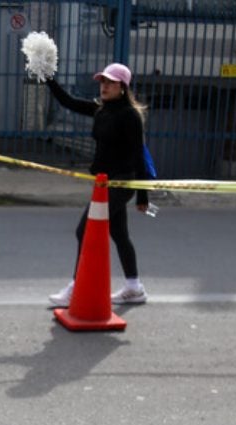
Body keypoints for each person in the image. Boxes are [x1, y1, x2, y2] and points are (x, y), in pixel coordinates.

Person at [41, 62, 152, 307]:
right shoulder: (101, 109)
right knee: (119, 234)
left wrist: (143, 196)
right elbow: (68, 102)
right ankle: (134, 287)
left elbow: (138, 156)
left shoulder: (130, 116)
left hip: (121, 183)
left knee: (84, 231)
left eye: (111, 82)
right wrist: (47, 77)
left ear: (122, 87)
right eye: (102, 81)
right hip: (103, 183)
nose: (104, 86)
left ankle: (75, 287)